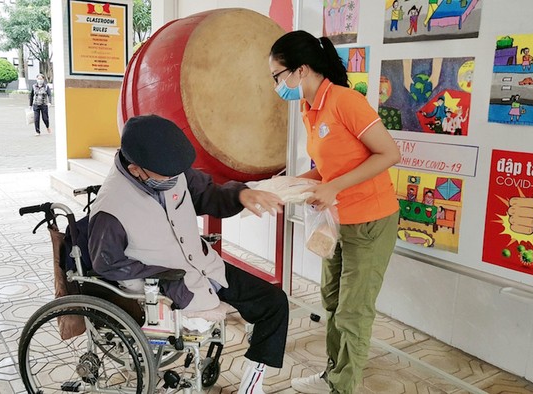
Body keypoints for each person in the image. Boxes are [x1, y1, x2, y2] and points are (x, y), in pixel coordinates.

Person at [88, 114, 289, 394]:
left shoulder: (170, 171)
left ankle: (251, 386)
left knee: (274, 302)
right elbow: (108, 264)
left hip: (204, 267)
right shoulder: (111, 210)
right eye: (166, 176)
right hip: (169, 287)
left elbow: (206, 194)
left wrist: (241, 195)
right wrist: (166, 283)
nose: (174, 179)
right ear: (136, 170)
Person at [269, 31, 400, 393]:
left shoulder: (345, 101)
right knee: (331, 300)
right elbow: (332, 167)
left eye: (278, 76)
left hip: (371, 220)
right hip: (338, 221)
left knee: (353, 311)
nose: (276, 85)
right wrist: (299, 183)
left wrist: (332, 188)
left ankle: (343, 386)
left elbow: (389, 154)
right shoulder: (309, 107)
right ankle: (332, 376)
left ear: (302, 70)